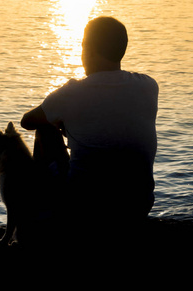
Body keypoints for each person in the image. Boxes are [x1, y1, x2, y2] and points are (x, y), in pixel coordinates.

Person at [21, 16, 158, 225]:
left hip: (85, 208)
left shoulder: (72, 92)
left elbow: (27, 121)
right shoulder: (148, 86)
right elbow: (112, 120)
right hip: (137, 206)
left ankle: (39, 220)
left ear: (88, 48)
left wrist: (62, 123)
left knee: (44, 129)